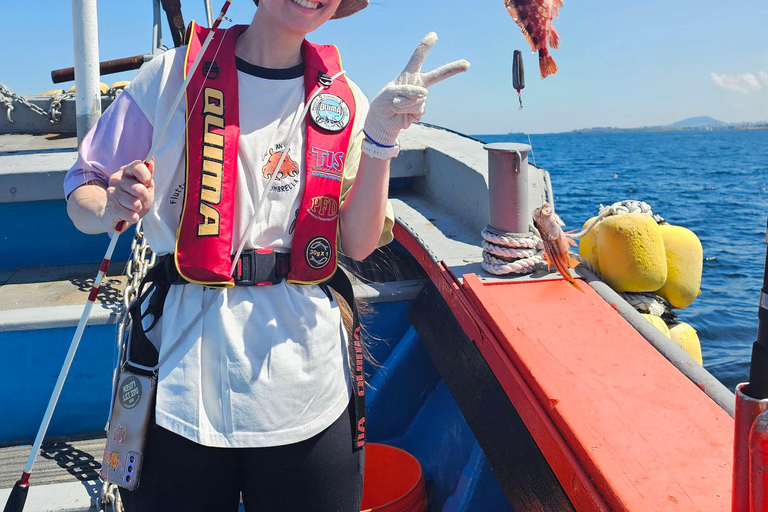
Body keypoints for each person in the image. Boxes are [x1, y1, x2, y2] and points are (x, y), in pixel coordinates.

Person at [64, 0, 469, 510]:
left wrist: (380, 141)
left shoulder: (344, 99)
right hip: (180, 385)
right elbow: (82, 189)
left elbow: (358, 242)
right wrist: (110, 205)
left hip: (309, 386)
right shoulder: (171, 76)